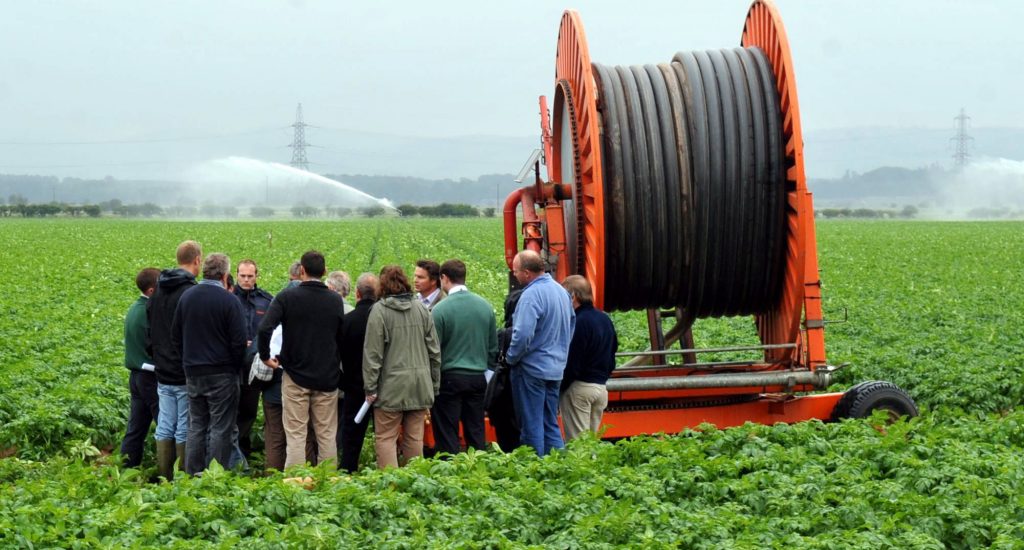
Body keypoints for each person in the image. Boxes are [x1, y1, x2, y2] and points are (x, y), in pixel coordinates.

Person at [258, 250, 346, 469]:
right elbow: (340, 336)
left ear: (302, 271)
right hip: (326, 377)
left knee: (296, 433)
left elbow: (265, 328)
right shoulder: (335, 300)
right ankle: (328, 483)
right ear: (324, 271)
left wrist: (265, 357)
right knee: (326, 434)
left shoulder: (287, 297)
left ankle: (296, 486)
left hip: (295, 376)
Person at [173, 253, 248, 474]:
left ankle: (192, 473)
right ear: (225, 275)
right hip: (222, 373)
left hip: (193, 373)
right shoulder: (229, 300)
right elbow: (239, 343)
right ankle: (214, 476)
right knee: (220, 428)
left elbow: (175, 336)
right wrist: (233, 368)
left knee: (196, 426)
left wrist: (188, 361)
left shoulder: (187, 297)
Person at [363, 265, 441, 469]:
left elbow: (373, 355)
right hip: (419, 386)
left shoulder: (379, 311)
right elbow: (434, 351)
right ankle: (414, 481)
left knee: (386, 438)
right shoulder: (422, 309)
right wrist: (433, 385)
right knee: (414, 439)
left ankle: (391, 486)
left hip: (390, 388)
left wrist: (370, 388)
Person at [504, 250, 575, 456]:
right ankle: (558, 467)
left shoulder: (531, 295)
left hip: (531, 370)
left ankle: (536, 471)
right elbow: (571, 326)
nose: (515, 275)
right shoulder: (561, 291)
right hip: (556, 369)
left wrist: (510, 358)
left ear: (527, 273)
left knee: (531, 423)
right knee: (550, 421)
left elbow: (523, 334)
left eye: (516, 271)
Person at [430, 259, 497, 455]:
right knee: (475, 428)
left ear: (444, 278)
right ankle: (477, 467)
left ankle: (451, 471)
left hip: (449, 378)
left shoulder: (440, 310)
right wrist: (485, 376)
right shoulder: (485, 307)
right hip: (477, 378)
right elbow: (493, 348)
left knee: (446, 429)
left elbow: (434, 351)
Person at [147, 240, 202, 481]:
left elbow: (150, 326)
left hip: (161, 368)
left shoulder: (158, 289)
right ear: (197, 260)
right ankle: (181, 477)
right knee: (183, 426)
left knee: (164, 424)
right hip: (182, 369)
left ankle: (163, 476)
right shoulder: (190, 291)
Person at [559, 275, 618, 440]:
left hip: (579, 389)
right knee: (591, 444)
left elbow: (573, 361)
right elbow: (613, 351)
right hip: (600, 389)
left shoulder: (578, 322)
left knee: (578, 445)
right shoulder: (604, 319)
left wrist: (561, 385)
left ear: (574, 297)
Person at [336, 273, 379, 472]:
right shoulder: (382, 319)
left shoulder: (347, 321)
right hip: (382, 388)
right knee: (385, 435)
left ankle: (348, 471)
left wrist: (343, 382)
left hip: (353, 387)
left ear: (357, 293)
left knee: (351, 436)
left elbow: (336, 355)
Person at [232, 259, 274, 459]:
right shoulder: (229, 297)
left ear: (257, 276)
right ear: (236, 275)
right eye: (242, 276)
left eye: (250, 276)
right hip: (231, 364)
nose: (246, 280)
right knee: (230, 410)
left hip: (255, 365)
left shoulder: (266, 301)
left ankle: (244, 452)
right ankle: (231, 452)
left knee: (249, 410)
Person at [120, 267, 161, 469]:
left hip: (136, 376)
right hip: (150, 378)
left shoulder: (134, 308)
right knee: (164, 426)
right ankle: (168, 470)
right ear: (152, 291)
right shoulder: (148, 312)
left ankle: (127, 468)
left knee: (136, 427)